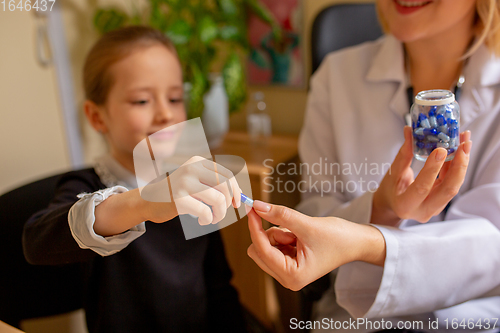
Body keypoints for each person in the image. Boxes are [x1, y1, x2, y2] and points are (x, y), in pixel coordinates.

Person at [247, 0, 500, 330]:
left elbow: (492, 246)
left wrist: (366, 243)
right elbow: (318, 214)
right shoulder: (337, 77)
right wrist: (380, 209)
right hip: (358, 321)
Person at [22, 26, 247, 333]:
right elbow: (37, 242)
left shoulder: (191, 184)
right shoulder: (85, 186)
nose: (166, 114)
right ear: (98, 117)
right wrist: (143, 203)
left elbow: (218, 288)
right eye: (142, 101)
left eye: (175, 97)